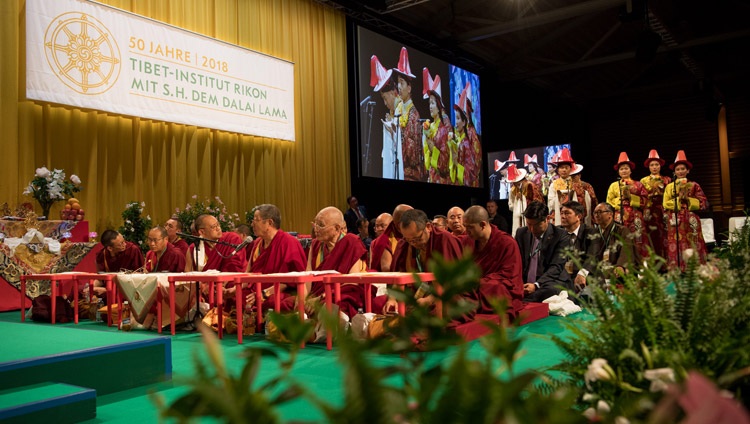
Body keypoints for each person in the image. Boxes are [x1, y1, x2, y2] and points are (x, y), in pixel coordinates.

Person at [381, 209, 464, 318]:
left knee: (439, 311)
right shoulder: (404, 244)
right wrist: (392, 299)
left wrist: (428, 300)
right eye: (409, 240)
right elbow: (397, 274)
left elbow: (455, 280)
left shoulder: (445, 240)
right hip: (417, 293)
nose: (413, 244)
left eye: (417, 239)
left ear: (428, 227)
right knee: (381, 303)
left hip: (443, 294)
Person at [300, 207, 367, 320]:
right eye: (315, 223)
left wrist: (321, 298)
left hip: (339, 293)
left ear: (337, 228)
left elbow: (351, 283)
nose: (316, 228)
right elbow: (308, 276)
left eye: (320, 225)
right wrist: (302, 299)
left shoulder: (352, 242)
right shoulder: (315, 244)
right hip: (317, 295)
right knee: (289, 303)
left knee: (333, 305)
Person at [241, 204, 307, 312]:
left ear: (270, 223)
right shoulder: (257, 243)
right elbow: (248, 273)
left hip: (277, 291)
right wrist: (234, 289)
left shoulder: (288, 242)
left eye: (256, 220)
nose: (252, 224)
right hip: (256, 290)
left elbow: (289, 281)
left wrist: (264, 293)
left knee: (275, 302)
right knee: (237, 297)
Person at [462, 206, 524, 319]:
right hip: (475, 286)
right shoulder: (467, 241)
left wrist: (479, 281)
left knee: (495, 287)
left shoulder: (507, 243)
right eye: (465, 227)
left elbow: (509, 275)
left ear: (483, 225)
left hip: (494, 288)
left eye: (470, 227)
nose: (467, 232)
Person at [515, 201, 572, 302]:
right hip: (525, 282)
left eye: (536, 225)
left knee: (548, 291)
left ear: (547, 219)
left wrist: (536, 285)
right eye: (529, 224)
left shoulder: (561, 235)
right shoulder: (521, 233)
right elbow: (516, 261)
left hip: (550, 281)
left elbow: (556, 267)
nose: (532, 229)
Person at [663, 150, 708, 271]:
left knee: (693, 241)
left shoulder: (694, 185)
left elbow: (703, 203)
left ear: (688, 170)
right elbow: (665, 203)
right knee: (676, 243)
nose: (680, 171)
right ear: (674, 172)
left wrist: (688, 200)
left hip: (690, 218)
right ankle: (678, 269)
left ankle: (696, 268)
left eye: (683, 169)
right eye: (678, 169)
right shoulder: (669, 187)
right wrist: (678, 200)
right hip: (675, 218)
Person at [606, 152, 651, 261]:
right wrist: (619, 201)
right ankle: (621, 265)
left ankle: (639, 265)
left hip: (635, 215)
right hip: (619, 215)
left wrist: (630, 197)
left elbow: (645, 200)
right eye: (621, 169)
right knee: (620, 240)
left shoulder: (638, 184)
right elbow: (609, 202)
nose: (624, 171)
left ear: (630, 170)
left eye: (626, 168)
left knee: (637, 239)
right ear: (618, 171)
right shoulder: (614, 185)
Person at [393, 47, 425, 182]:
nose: (399, 87)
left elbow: (413, 152)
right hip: (398, 168)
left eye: (402, 83)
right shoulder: (399, 108)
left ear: (409, 88)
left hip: (410, 173)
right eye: (398, 83)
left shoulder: (414, 115)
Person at [370, 55, 404, 180]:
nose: (384, 103)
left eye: (385, 98)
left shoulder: (403, 109)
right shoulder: (393, 111)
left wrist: (394, 130)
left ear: (392, 93)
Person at [559, 201, 601, 293]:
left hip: (586, 277)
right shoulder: (558, 232)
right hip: (563, 278)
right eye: (561, 213)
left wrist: (582, 273)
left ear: (579, 216)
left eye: (567, 213)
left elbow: (593, 256)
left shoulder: (591, 232)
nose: (562, 216)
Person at [591, 202, 639, 280]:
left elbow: (626, 250)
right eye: (595, 213)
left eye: (600, 212)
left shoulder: (622, 230)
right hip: (599, 269)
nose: (596, 215)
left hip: (615, 267)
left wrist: (621, 265)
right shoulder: (594, 232)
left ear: (610, 214)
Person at [421, 68, 453, 184]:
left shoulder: (443, 130)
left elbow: (444, 163)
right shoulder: (431, 126)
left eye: (433, 103)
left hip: (441, 180)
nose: (430, 106)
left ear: (439, 107)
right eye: (429, 103)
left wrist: (432, 147)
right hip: (432, 176)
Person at [94, 229, 145, 298]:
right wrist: (92, 288)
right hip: (109, 292)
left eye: (123, 241)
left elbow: (140, 276)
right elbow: (100, 279)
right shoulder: (102, 255)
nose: (125, 244)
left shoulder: (133, 250)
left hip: (130, 291)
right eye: (121, 244)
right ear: (110, 248)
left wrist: (108, 290)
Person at [640, 149, 671, 259]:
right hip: (649, 211)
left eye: (656, 164)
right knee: (650, 236)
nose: (654, 167)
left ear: (660, 166)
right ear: (648, 167)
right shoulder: (643, 181)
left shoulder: (667, 180)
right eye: (652, 165)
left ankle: (665, 263)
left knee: (664, 236)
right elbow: (641, 197)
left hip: (663, 210)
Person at [450, 82, 480, 187]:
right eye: (456, 118)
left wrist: (455, 162)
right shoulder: (459, 136)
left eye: (458, 118)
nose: (456, 122)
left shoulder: (470, 136)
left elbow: (473, 168)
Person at [370, 204, 412, 271]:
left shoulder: (413, 235)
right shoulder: (385, 240)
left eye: (382, 225)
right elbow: (386, 268)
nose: (379, 229)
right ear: (399, 225)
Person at [508, 163, 543, 237]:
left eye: (516, 182)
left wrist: (524, 198)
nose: (514, 184)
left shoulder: (530, 186)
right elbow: (511, 206)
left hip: (531, 217)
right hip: (518, 218)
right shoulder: (513, 189)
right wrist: (517, 200)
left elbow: (538, 202)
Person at [547, 147, 576, 226]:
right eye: (562, 168)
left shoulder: (575, 184)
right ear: (558, 170)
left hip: (573, 216)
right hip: (557, 216)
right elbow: (550, 203)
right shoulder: (554, 184)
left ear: (570, 169)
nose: (564, 170)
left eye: (566, 168)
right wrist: (559, 200)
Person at [570, 163, 599, 227]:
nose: (572, 178)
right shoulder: (568, 186)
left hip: (586, 213)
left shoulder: (586, 186)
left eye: (574, 176)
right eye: (570, 176)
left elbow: (593, 199)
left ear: (579, 175)